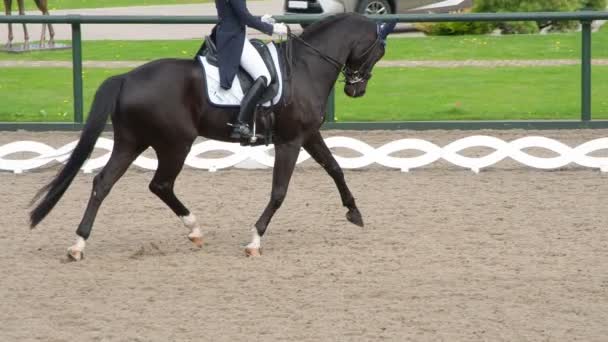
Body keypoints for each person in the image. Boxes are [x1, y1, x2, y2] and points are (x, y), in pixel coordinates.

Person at [212, 0, 288, 139]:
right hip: (234, 38)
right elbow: (244, 17)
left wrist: (261, 20)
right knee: (264, 75)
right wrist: (272, 29)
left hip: (229, 33)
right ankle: (240, 123)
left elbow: (237, 15)